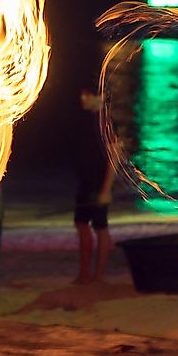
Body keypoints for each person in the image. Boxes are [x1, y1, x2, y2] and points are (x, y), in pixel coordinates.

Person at [73, 89, 114, 284]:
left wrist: (106, 189)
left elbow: (115, 157)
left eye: (86, 95)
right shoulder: (86, 120)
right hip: (85, 181)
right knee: (81, 223)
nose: (82, 98)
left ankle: (99, 275)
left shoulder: (104, 122)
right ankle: (84, 273)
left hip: (98, 182)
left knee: (100, 227)